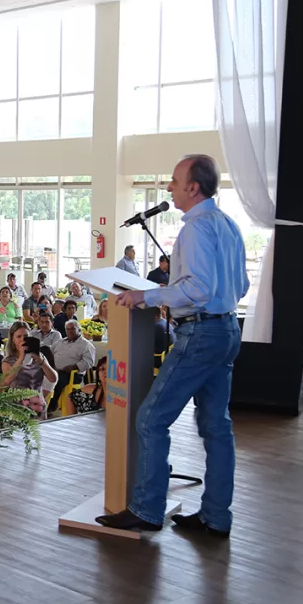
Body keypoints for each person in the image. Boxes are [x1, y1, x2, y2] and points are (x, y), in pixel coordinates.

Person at [97, 154, 247, 537]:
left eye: (175, 181)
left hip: (200, 334)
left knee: (151, 418)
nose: (169, 188)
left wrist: (146, 298)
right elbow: (240, 286)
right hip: (228, 328)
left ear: (193, 188)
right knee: (217, 427)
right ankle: (216, 516)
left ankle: (147, 510)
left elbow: (198, 289)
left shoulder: (196, 228)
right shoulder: (227, 224)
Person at [49, 319, 95, 411]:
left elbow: (88, 362)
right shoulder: (60, 342)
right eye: (67, 329)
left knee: (58, 380)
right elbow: (49, 353)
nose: (69, 331)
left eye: (72, 329)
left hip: (73, 374)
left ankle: (52, 405)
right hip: (55, 370)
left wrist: (74, 367)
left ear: (79, 330)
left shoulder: (86, 345)